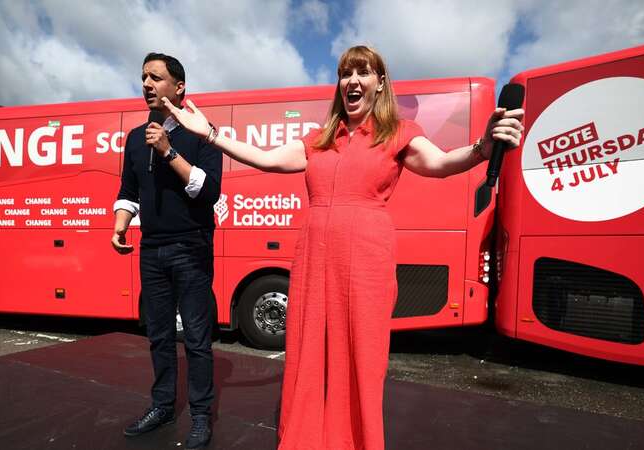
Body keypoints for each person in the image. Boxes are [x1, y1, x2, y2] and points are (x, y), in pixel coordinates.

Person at [163, 45, 523, 450]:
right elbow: (264, 159)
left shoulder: (397, 134)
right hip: (315, 256)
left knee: (362, 356)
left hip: (367, 256)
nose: (352, 80)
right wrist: (209, 134)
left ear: (379, 83)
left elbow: (440, 163)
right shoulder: (320, 140)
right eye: (345, 73)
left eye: (363, 72)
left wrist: (482, 148)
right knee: (309, 350)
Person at [111, 52, 222, 449]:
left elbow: (209, 192)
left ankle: (200, 416)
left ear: (179, 87)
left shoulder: (203, 132)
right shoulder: (135, 139)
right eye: (143, 77)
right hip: (151, 250)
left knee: (195, 338)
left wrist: (168, 151)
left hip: (191, 248)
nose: (146, 84)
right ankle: (161, 406)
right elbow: (129, 190)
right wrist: (120, 225)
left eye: (155, 77)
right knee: (158, 335)